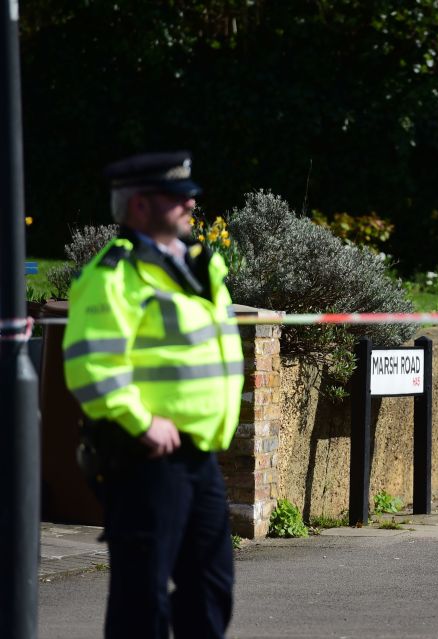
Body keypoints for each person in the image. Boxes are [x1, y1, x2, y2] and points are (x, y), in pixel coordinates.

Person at [63, 151, 244, 638]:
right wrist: (141, 422)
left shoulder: (196, 266)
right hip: (145, 457)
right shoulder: (113, 275)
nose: (190, 204)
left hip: (199, 454)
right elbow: (90, 364)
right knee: (141, 599)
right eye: (177, 196)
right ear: (140, 206)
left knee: (210, 589)